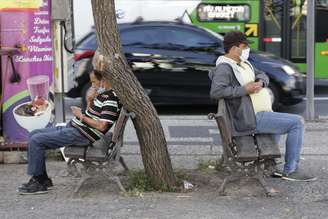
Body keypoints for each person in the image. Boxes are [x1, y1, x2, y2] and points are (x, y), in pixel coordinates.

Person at [209, 31, 316, 182]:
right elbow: (216, 91)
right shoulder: (225, 68)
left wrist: (260, 82)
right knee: (297, 122)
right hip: (250, 118)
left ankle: (271, 166)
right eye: (244, 46)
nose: (247, 49)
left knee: (284, 122)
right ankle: (291, 170)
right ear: (234, 48)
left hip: (259, 113)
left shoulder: (244, 63)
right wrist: (245, 89)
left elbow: (262, 74)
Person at [18, 69, 121, 195]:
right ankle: (43, 179)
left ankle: (38, 182)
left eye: (94, 83)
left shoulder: (111, 99)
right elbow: (93, 114)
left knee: (36, 140)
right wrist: (90, 101)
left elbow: (102, 126)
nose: (92, 86)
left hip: (81, 134)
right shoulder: (104, 94)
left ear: (104, 81)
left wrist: (81, 116)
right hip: (75, 127)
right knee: (33, 134)